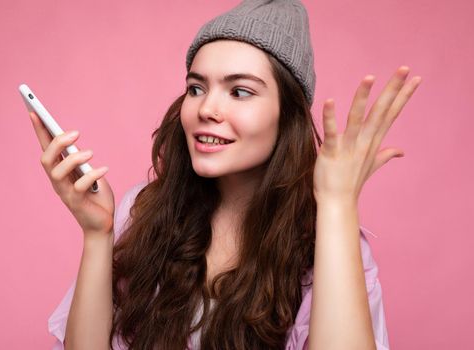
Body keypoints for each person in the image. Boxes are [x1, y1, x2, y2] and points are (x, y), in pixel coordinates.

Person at [29, 0, 421, 349]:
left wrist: (336, 205)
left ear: (287, 116)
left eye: (240, 92)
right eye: (196, 88)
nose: (206, 109)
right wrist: (98, 235)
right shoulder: (140, 210)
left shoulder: (329, 243)